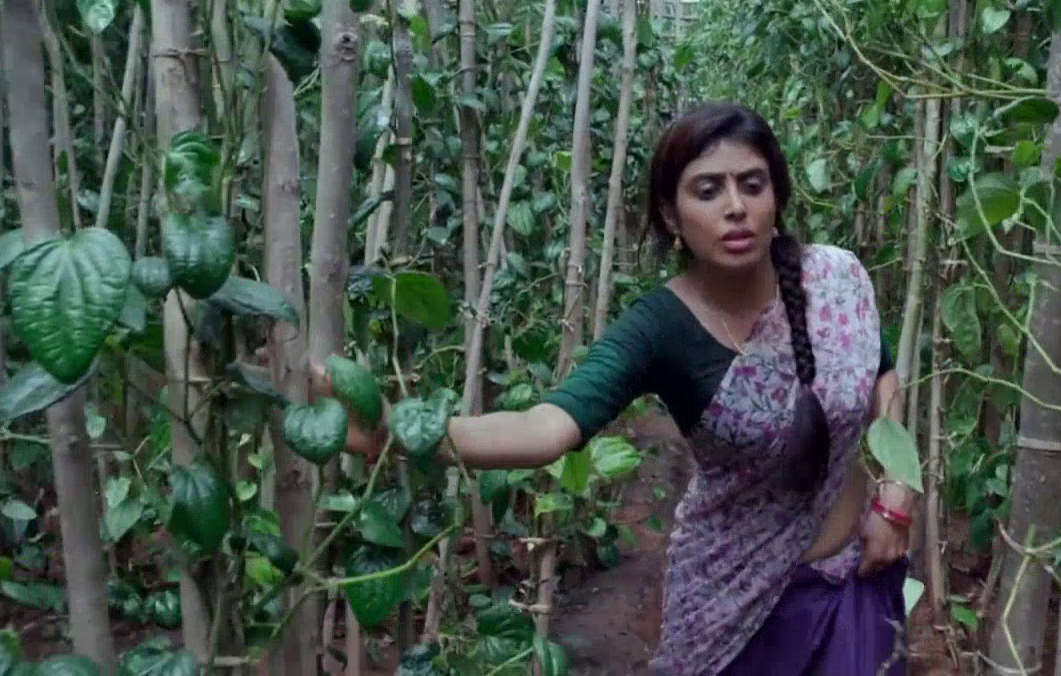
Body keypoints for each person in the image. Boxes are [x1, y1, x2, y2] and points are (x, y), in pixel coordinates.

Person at [317, 102, 917, 675]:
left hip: (855, 578)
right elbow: (546, 427)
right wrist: (397, 430)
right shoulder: (659, 327)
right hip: (732, 605)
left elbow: (881, 376)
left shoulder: (836, 279)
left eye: (752, 185)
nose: (736, 207)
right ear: (671, 216)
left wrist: (896, 493)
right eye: (708, 190)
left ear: (777, 196)